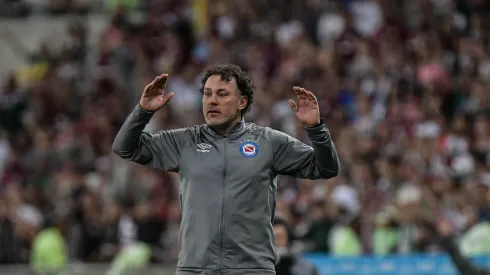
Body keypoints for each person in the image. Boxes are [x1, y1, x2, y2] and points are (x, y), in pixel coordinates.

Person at [112, 64, 340, 275]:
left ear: (242, 102)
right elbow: (124, 148)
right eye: (208, 94)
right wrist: (143, 111)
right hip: (196, 269)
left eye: (222, 94)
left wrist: (316, 129)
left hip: (252, 269)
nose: (212, 101)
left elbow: (326, 168)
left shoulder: (268, 142)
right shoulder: (184, 142)